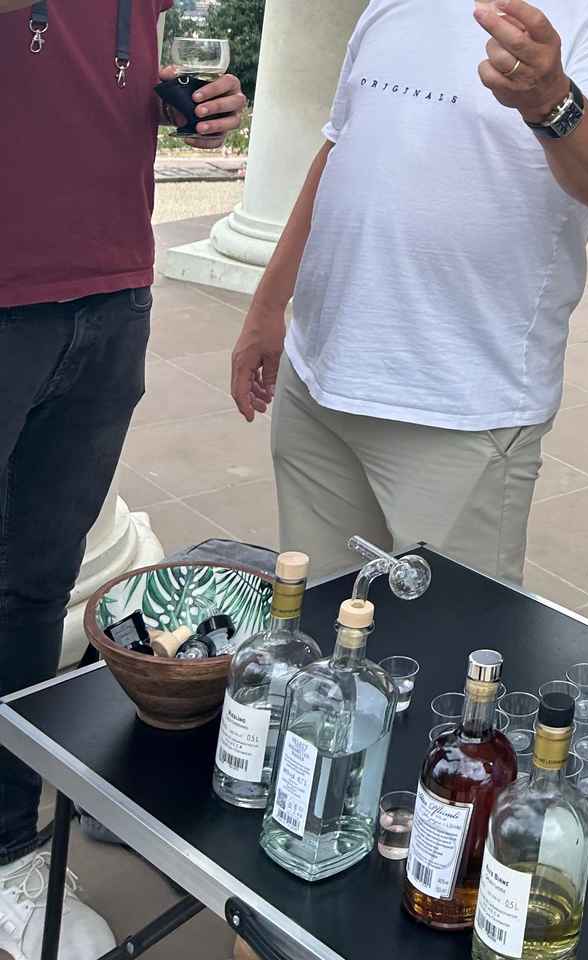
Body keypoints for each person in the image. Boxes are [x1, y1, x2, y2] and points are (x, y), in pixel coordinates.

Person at [230, 0, 588, 582]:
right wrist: (266, 306)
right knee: (322, 625)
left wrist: (551, 103)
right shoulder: (389, 6)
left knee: (449, 632)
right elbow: (337, 148)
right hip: (316, 387)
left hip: (463, 409)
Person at [0, 2, 246, 956]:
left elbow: (93, 81)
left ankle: (8, 852)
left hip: (109, 293)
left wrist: (190, 104)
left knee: (31, 589)